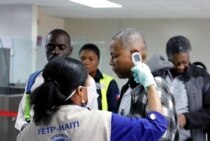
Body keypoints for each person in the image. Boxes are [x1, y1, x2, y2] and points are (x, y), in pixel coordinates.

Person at [16, 57, 167, 141]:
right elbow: (156, 126)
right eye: (90, 86)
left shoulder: (29, 131)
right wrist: (150, 85)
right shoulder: (102, 122)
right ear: (81, 92)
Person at [15, 29, 98, 131]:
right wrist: (29, 130)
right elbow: (22, 115)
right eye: (50, 47)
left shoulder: (85, 80)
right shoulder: (34, 79)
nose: (55, 52)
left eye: (61, 48)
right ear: (45, 49)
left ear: (70, 50)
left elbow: (93, 118)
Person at [110, 28, 178, 141]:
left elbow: (163, 137)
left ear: (134, 54)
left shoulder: (156, 85)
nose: (111, 62)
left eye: (115, 56)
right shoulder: (127, 88)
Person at [165, 35, 210, 141]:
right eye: (177, 63)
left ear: (189, 56)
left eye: (184, 63)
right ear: (169, 58)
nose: (181, 67)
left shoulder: (200, 76)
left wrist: (187, 118)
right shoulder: (159, 76)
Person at [79, 43, 120, 112]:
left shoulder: (109, 82)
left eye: (91, 59)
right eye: (83, 59)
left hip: (102, 121)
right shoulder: (73, 81)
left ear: (98, 61)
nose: (86, 62)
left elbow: (114, 110)